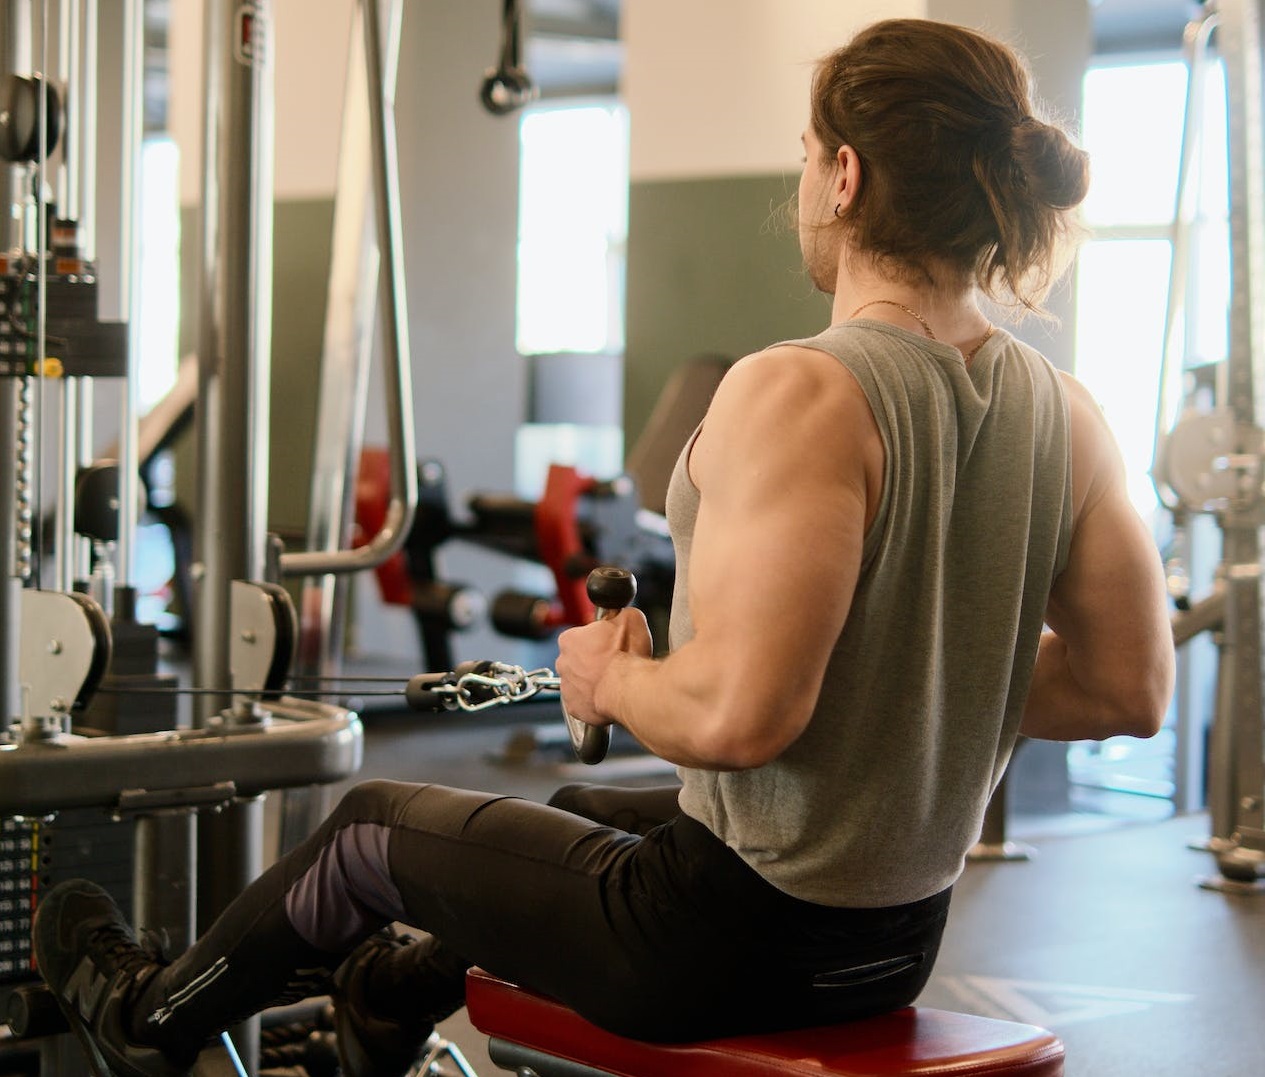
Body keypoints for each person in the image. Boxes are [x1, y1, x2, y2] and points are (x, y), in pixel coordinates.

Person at [32, 17, 1175, 1077]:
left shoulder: (803, 387)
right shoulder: (1062, 410)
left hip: (714, 947)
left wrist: (613, 675)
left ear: (844, 174)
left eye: (803, 152)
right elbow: (1127, 687)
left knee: (371, 828)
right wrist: (916, 669)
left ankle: (148, 1022)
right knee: (582, 817)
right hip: (892, 940)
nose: (802, 180)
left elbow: (735, 722)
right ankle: (386, 993)